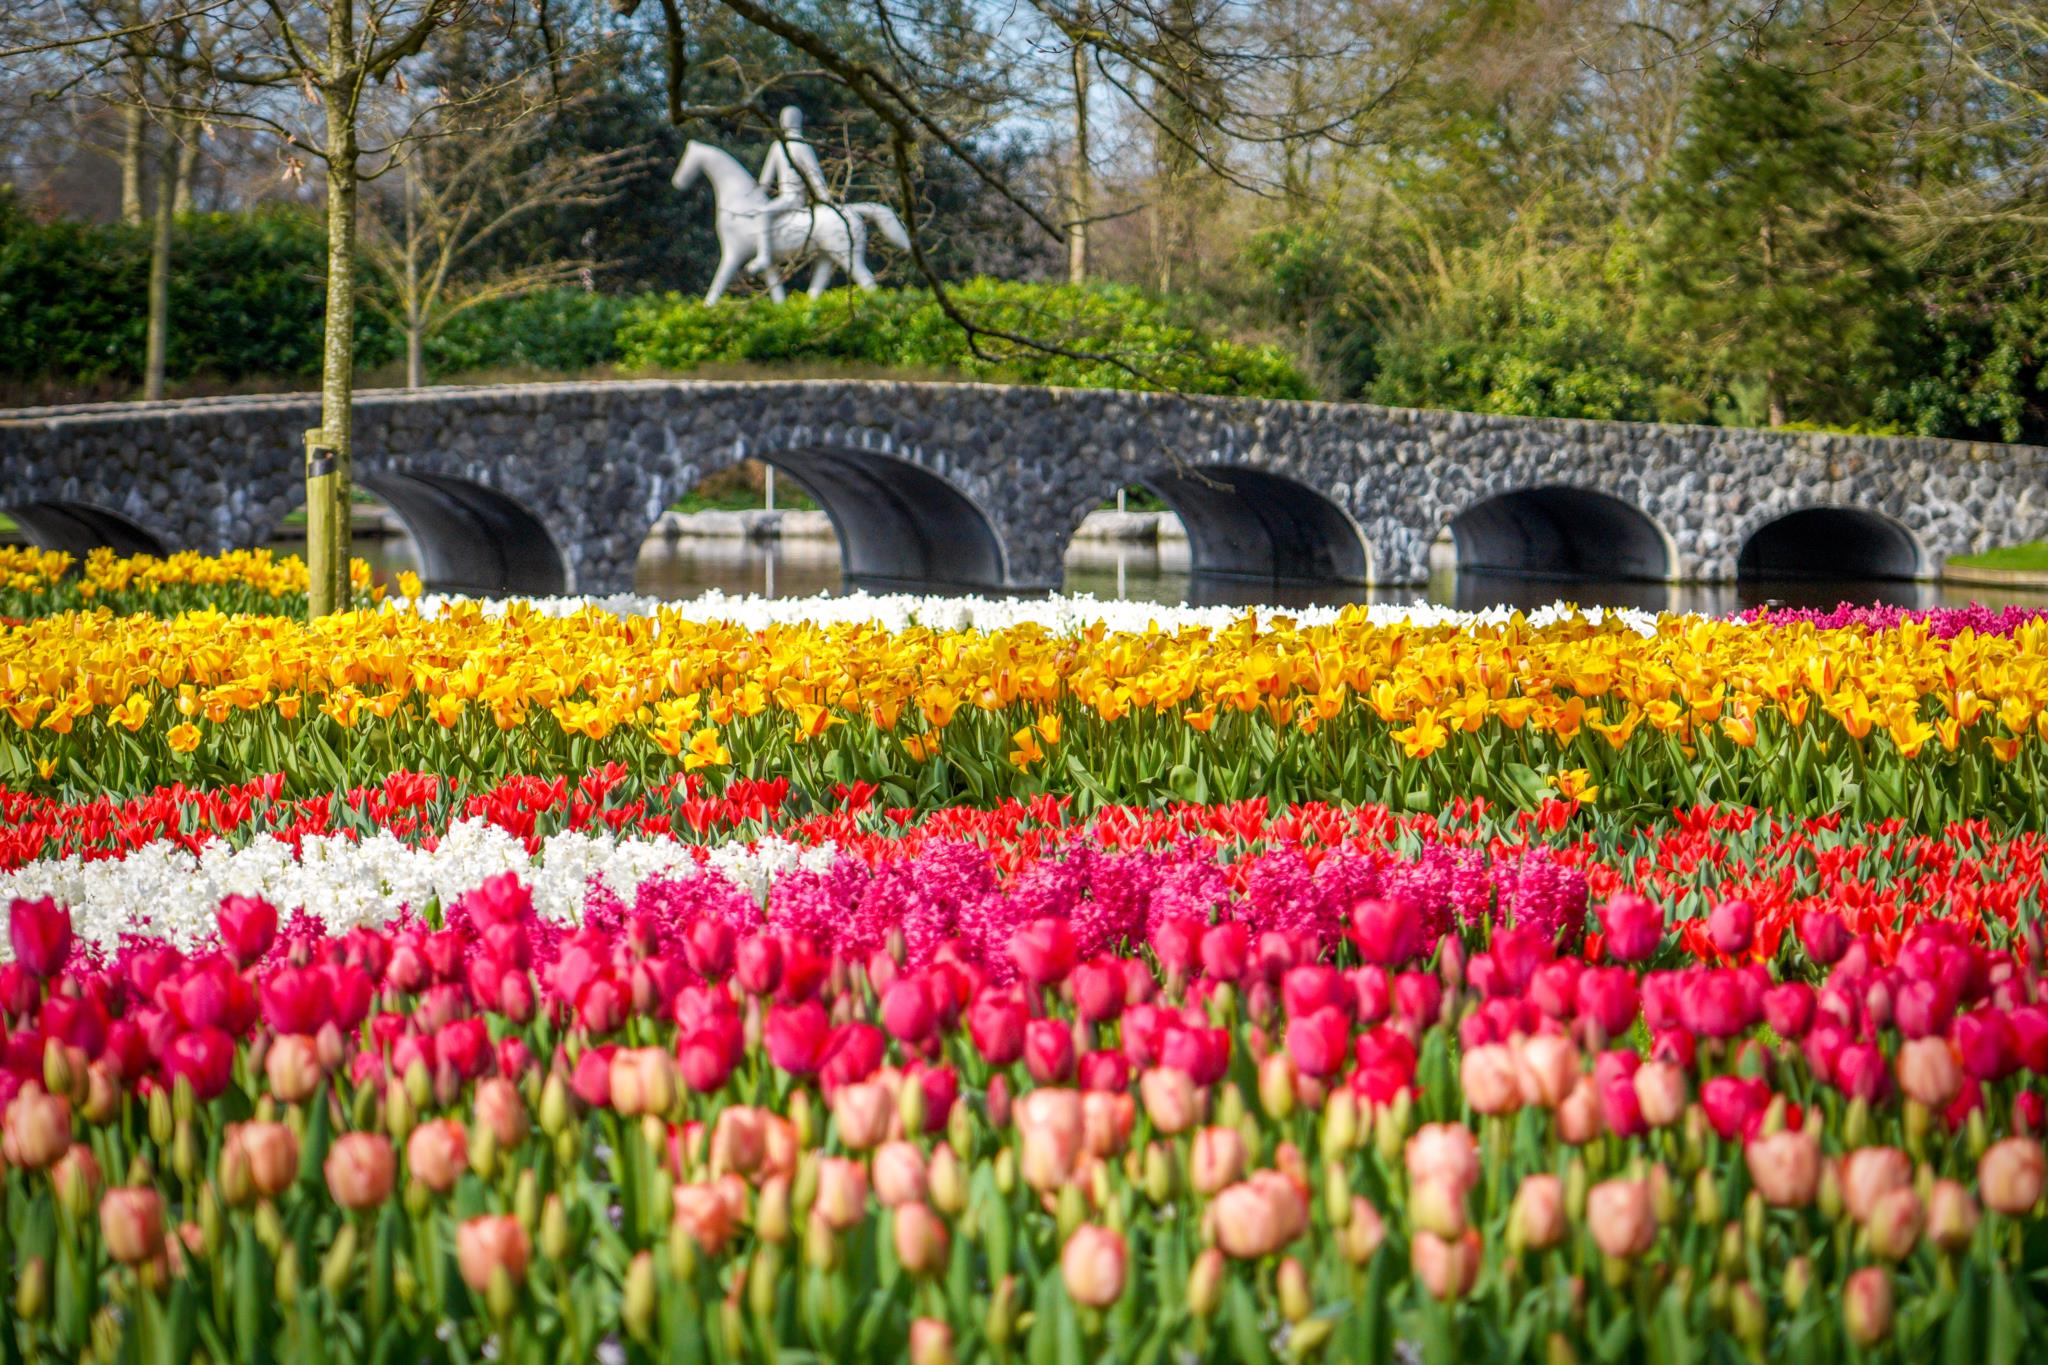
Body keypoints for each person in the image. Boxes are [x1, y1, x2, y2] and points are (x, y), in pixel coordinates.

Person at [752, 106, 834, 273]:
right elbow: (765, 182)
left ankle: (764, 256)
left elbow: (814, 176)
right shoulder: (780, 146)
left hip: (792, 199)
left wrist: (825, 199)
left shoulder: (797, 146)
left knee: (764, 213)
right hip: (786, 198)